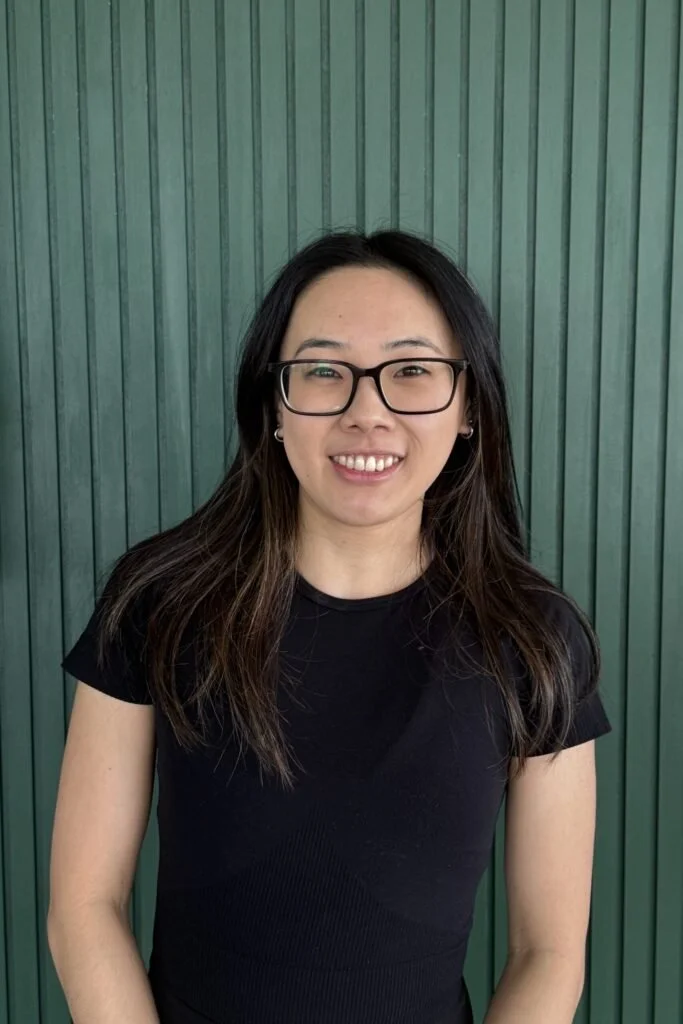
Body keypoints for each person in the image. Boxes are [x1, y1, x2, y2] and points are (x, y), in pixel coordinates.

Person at [47, 229, 612, 1024]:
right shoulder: (158, 601)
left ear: (469, 411)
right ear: (273, 408)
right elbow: (84, 907)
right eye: (322, 372)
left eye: (412, 372)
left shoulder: (535, 639)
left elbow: (547, 952)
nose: (365, 413)